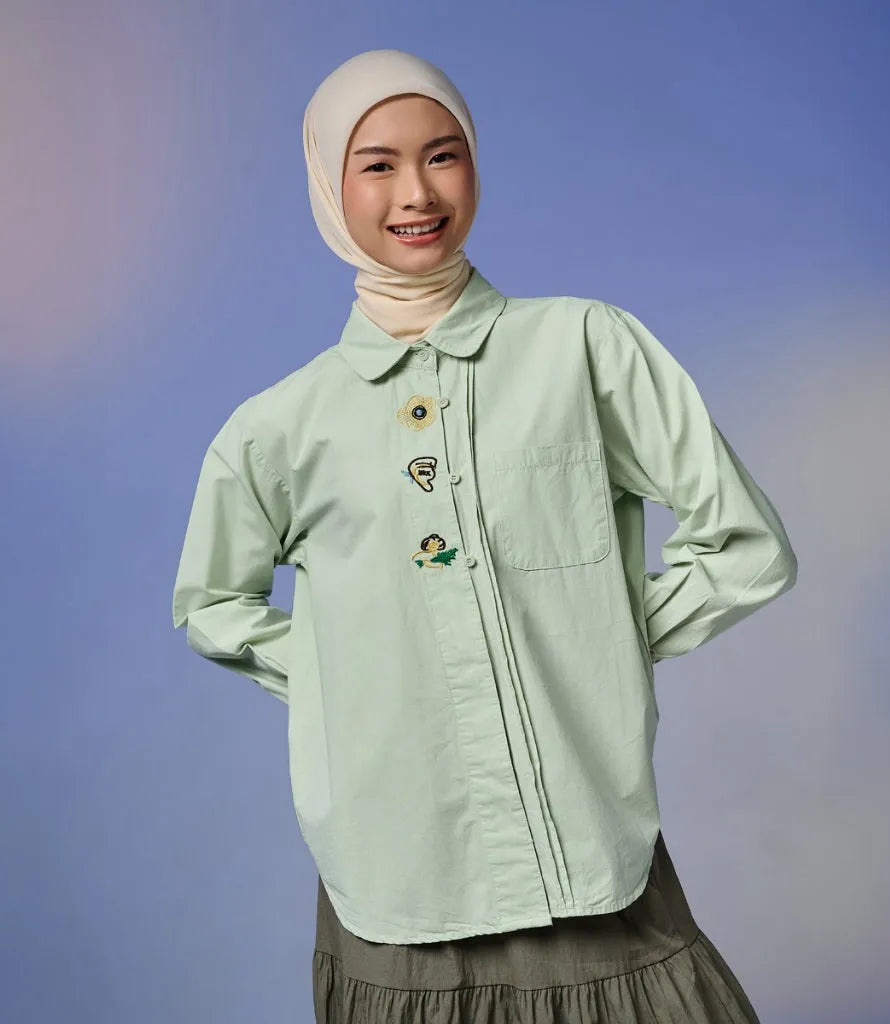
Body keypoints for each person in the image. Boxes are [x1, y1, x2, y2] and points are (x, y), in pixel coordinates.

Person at [172, 47, 798, 1023]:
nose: (417, 193)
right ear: (328, 185)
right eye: (377, 164)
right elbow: (212, 603)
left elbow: (744, 543)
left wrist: (603, 633)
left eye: (443, 154)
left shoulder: (584, 348)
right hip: (395, 877)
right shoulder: (277, 428)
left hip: (589, 853)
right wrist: (344, 673)